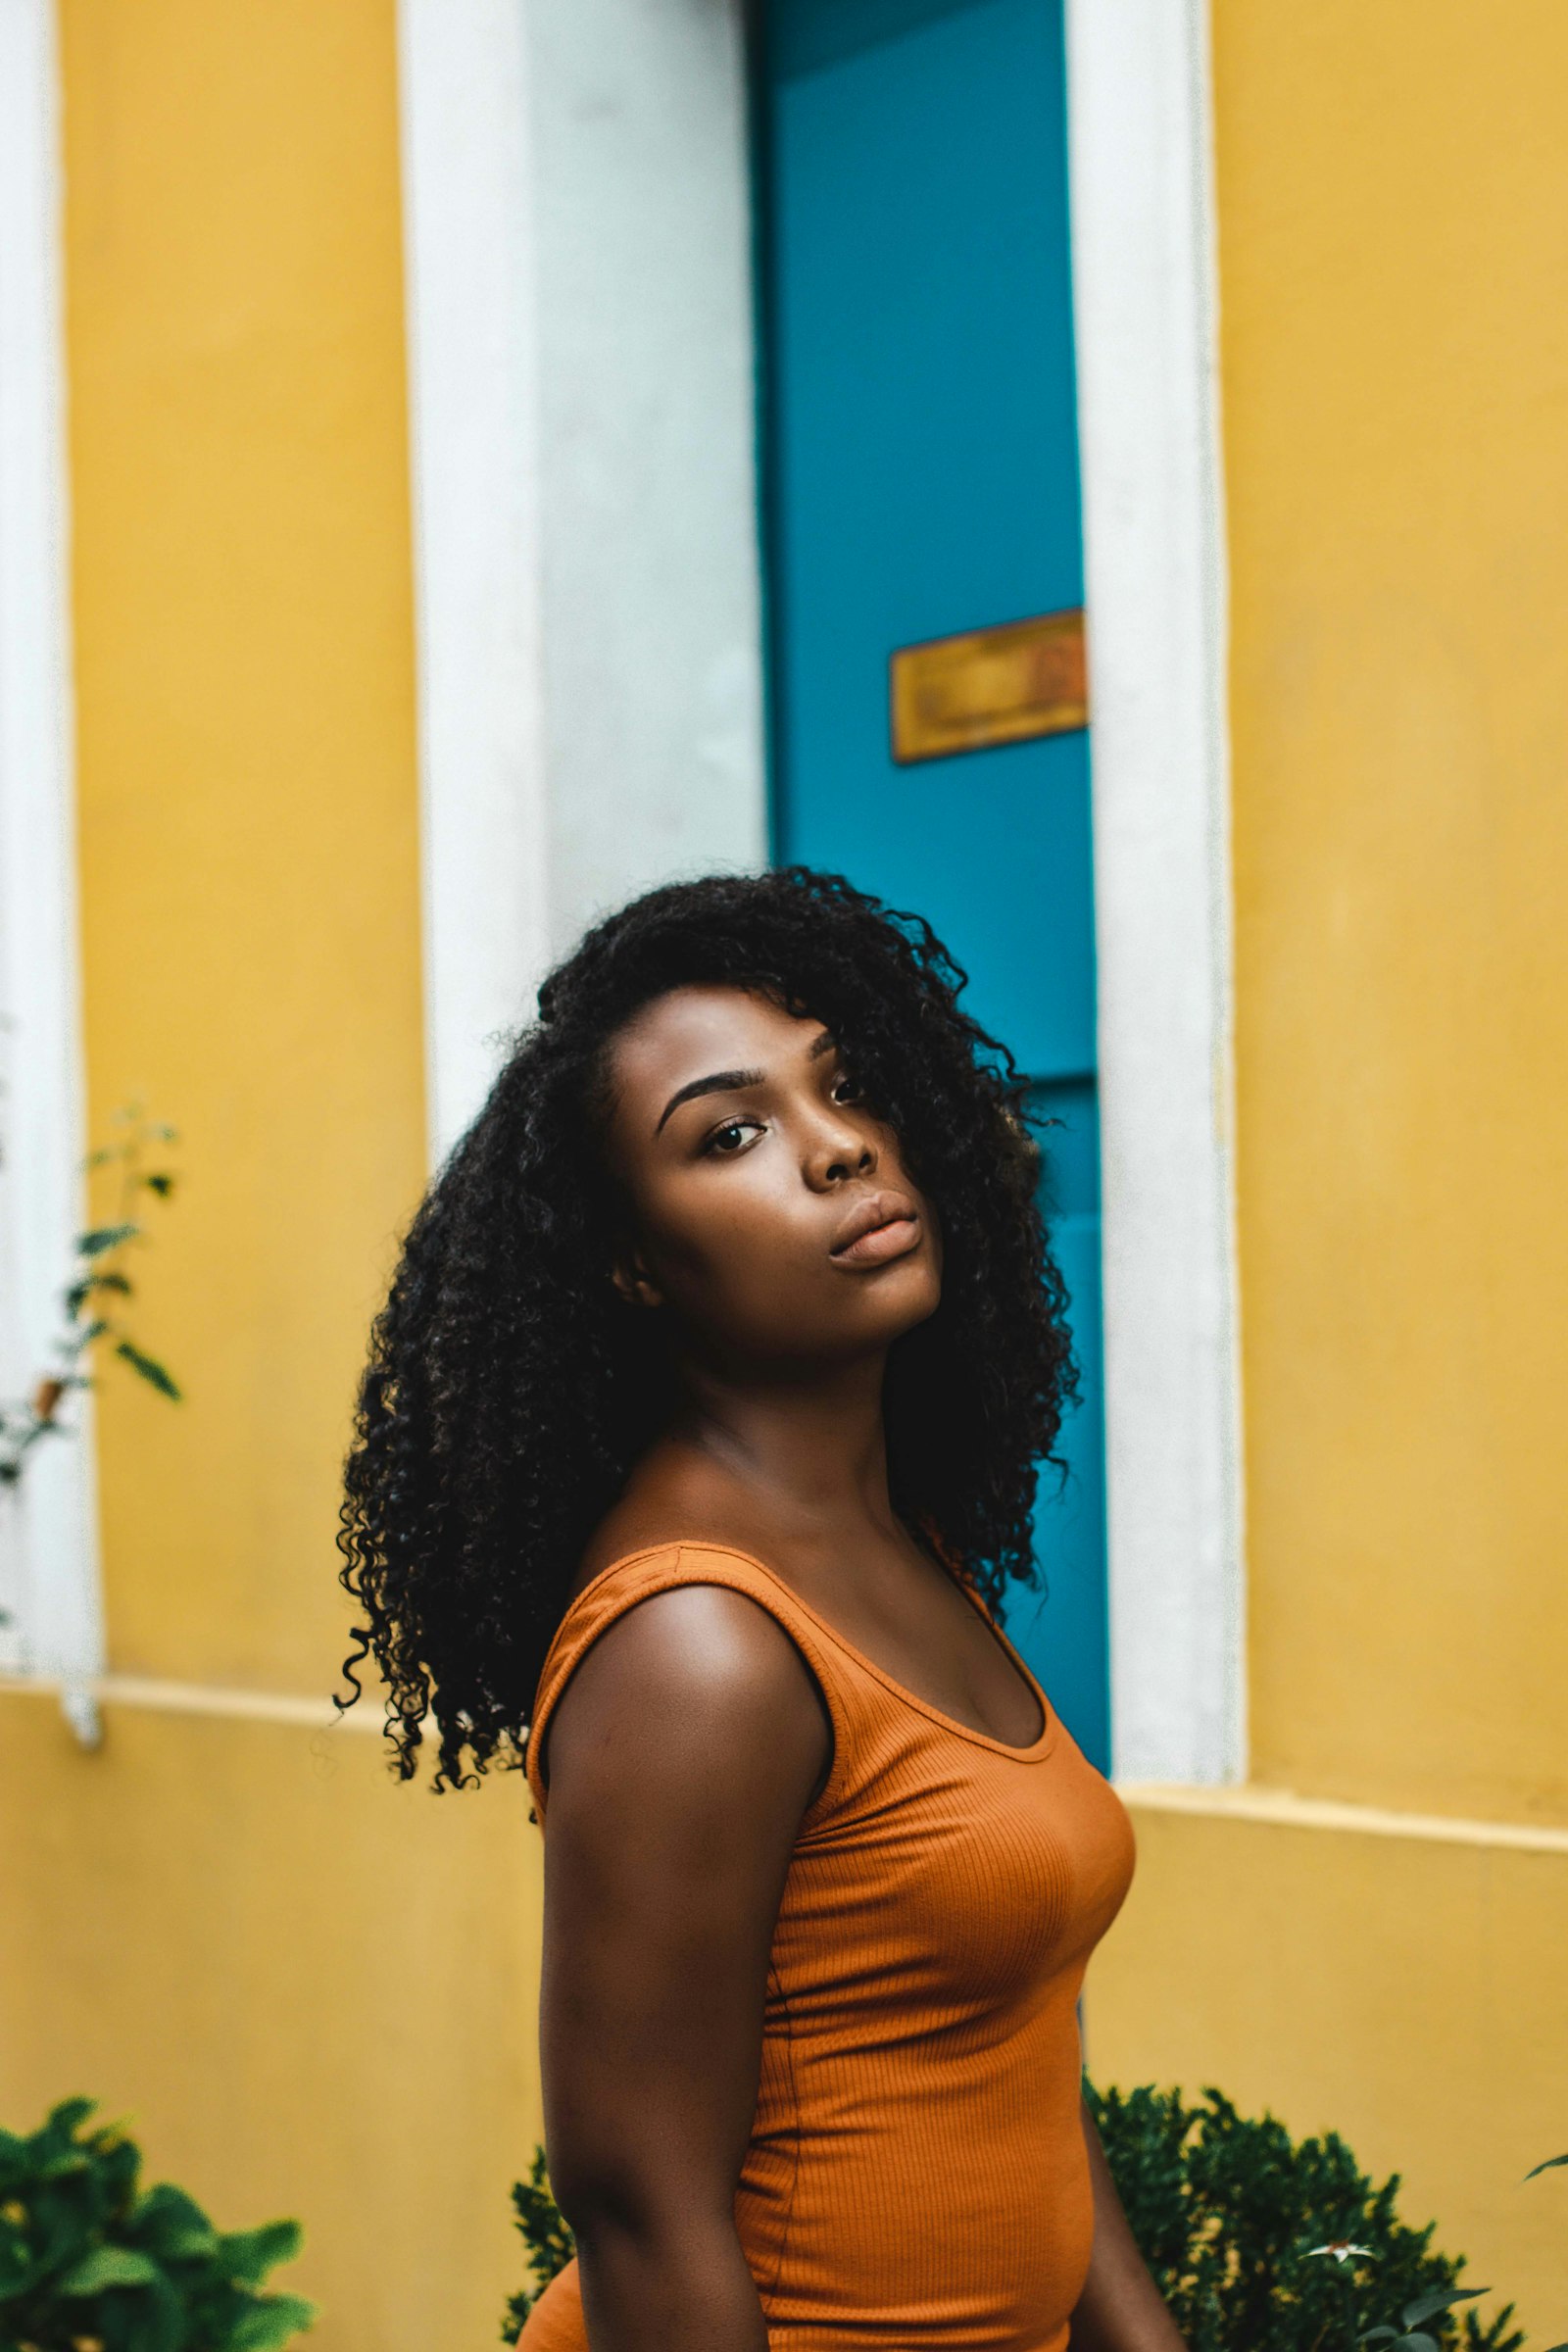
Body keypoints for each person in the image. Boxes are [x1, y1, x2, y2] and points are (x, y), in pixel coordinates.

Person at [338, 868, 1184, 2351]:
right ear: (629, 1264)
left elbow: (1013, 2062)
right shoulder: (700, 1644)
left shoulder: (896, 1547)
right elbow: (641, 2209)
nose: (841, 1147)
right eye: (732, 1134)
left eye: (845, 1086)